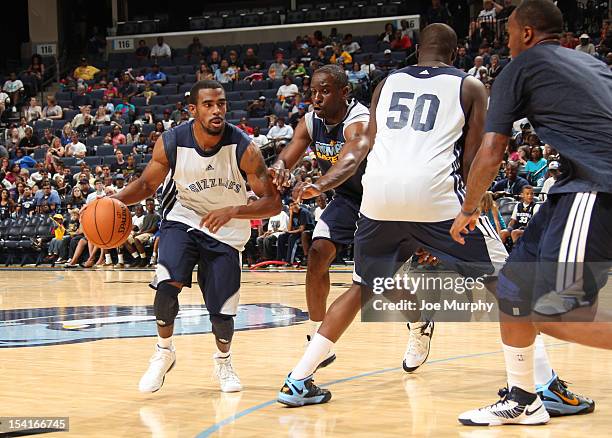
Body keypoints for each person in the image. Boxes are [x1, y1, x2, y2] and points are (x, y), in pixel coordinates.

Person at [276, 23, 571, 414]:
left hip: (377, 198)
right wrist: (471, 206)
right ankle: (544, 384)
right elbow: (472, 155)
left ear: (418, 50)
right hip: (435, 195)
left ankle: (298, 379)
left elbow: (366, 143)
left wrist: (324, 182)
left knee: (363, 287)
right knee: (507, 284)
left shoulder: (386, 84)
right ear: (456, 51)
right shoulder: (469, 85)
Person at [451, 0, 609, 425]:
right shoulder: (589, 64)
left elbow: (492, 147)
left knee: (554, 314)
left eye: (507, 35)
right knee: (513, 292)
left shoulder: (521, 66)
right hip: (572, 187)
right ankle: (524, 398)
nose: (505, 43)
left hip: (596, 187)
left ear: (524, 34)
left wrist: (468, 207)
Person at [107, 80, 280, 394]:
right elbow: (146, 186)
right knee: (166, 283)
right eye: (208, 104)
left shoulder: (244, 147)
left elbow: (272, 202)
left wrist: (234, 211)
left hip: (227, 231)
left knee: (223, 313)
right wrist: (113, 202)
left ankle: (223, 361)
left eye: (221, 104)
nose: (217, 110)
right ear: (192, 109)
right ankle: (163, 352)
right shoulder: (172, 141)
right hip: (183, 218)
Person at [269, 64, 370, 372]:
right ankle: (317, 339)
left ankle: (419, 324)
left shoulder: (359, 121)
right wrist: (279, 168)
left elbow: (351, 160)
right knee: (316, 254)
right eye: (313, 91)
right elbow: (290, 152)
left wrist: (319, 184)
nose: (317, 98)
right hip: (349, 199)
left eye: (325, 91)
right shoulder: (312, 121)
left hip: (381, 198)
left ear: (344, 92)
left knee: (378, 282)